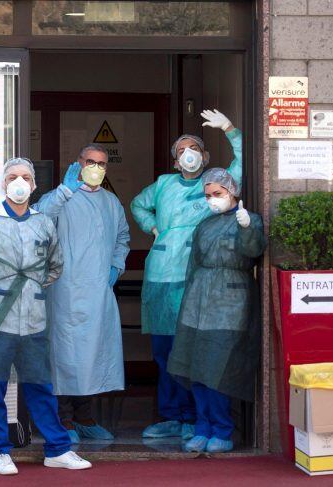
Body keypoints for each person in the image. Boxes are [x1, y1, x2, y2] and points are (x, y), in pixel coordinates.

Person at [0, 157, 92, 475]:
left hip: (32, 319)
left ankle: (57, 449)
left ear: (34, 185)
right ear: (3, 183)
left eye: (25, 177)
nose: (19, 182)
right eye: (13, 176)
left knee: (40, 385)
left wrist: (29, 290)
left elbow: (55, 265)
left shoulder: (43, 222)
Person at [130, 109, 242, 440]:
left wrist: (231, 130)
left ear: (204, 156)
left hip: (195, 279)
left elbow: (245, 164)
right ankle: (173, 416)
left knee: (193, 350)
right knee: (165, 353)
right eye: (181, 151)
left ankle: (196, 417)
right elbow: (138, 204)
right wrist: (153, 228)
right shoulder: (164, 184)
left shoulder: (215, 183)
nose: (188, 154)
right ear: (176, 161)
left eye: (194, 148)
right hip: (162, 276)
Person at [33, 144, 130, 443]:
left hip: (99, 289)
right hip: (65, 289)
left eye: (101, 163)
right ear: (78, 164)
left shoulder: (111, 202)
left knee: (92, 355)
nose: (96, 168)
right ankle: (65, 420)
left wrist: (116, 266)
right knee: (65, 354)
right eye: (90, 162)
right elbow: (40, 217)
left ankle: (86, 417)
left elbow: (122, 238)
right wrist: (65, 190)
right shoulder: (62, 198)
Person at [167, 168, 266, 453]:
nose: (212, 199)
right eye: (208, 195)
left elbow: (253, 251)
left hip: (230, 305)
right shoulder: (205, 225)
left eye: (218, 194)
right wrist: (188, 298)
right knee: (196, 367)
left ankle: (222, 429)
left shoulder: (248, 220)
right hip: (199, 301)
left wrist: (248, 228)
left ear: (232, 191)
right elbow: (194, 264)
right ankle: (202, 427)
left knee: (218, 369)